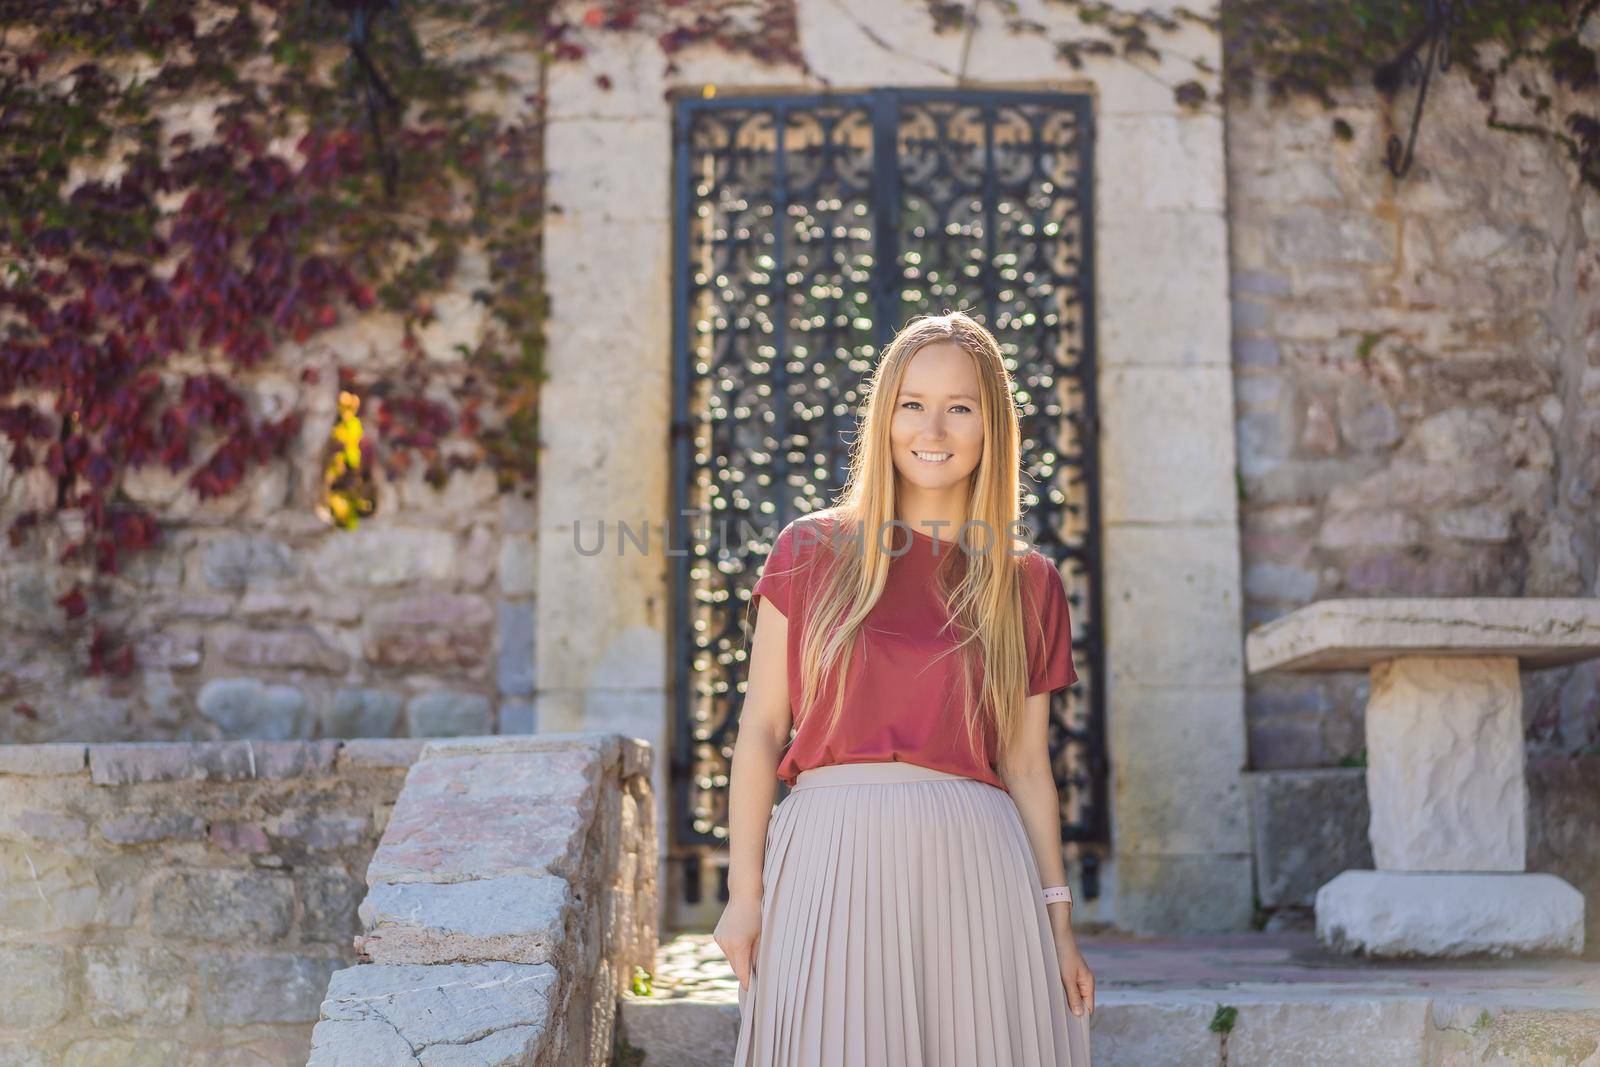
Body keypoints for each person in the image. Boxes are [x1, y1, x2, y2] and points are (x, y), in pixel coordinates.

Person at [715, 311, 1095, 1066]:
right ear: (884, 414)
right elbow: (760, 730)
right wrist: (744, 892)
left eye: (960, 407)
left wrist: (1059, 927)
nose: (934, 427)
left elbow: (1025, 765)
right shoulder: (809, 549)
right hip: (830, 855)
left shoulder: (1027, 581)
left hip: (976, 863)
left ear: (992, 428)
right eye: (912, 402)